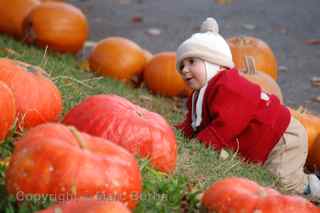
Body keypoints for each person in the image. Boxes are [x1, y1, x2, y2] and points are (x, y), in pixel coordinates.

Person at [175, 17, 320, 198]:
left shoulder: (228, 86)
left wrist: (197, 147)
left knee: (282, 184)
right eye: (181, 66)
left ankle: (312, 186)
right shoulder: (198, 95)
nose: (185, 70)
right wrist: (177, 136)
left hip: (282, 136)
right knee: (267, 180)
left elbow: (226, 125)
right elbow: (194, 123)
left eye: (191, 63)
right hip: (267, 140)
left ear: (214, 62)